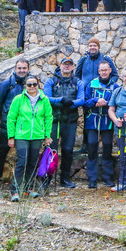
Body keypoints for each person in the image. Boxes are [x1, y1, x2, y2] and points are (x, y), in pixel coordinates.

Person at [6, 75, 52, 202]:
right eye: (29, 85)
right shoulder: (18, 99)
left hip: (37, 135)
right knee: (22, 161)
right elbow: (11, 118)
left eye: (34, 84)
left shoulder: (44, 100)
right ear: (25, 86)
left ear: (38, 85)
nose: (32, 87)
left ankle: (28, 189)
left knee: (32, 162)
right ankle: (15, 190)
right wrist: (11, 136)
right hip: (21, 135)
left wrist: (47, 135)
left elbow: (48, 118)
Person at [43, 57, 84, 188]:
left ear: (73, 67)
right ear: (60, 66)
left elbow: (82, 99)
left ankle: (65, 179)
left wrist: (71, 103)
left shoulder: (78, 82)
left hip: (70, 120)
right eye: (64, 64)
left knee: (68, 149)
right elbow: (46, 98)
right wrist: (61, 100)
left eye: (69, 65)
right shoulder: (52, 81)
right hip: (54, 120)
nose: (67, 66)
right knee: (51, 149)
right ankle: (46, 178)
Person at [75, 37, 118, 153]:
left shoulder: (105, 59)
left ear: (98, 47)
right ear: (88, 47)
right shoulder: (83, 60)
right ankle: (86, 145)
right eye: (90, 46)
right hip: (88, 93)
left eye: (95, 45)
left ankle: (107, 147)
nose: (92, 47)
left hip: (104, 92)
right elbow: (77, 76)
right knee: (87, 118)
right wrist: (82, 87)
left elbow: (115, 75)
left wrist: (107, 85)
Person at [0, 59, 30, 188]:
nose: (22, 70)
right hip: (7, 126)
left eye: (24, 68)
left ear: (28, 69)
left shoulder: (31, 84)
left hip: (25, 127)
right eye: (19, 68)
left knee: (25, 156)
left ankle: (24, 184)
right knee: (1, 154)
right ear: (15, 69)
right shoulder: (6, 84)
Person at [83, 61, 119, 188]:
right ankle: (92, 178)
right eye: (101, 70)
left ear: (110, 70)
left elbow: (117, 103)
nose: (104, 72)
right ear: (98, 71)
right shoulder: (91, 85)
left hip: (107, 121)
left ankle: (107, 177)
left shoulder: (115, 86)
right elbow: (85, 102)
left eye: (106, 70)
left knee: (107, 149)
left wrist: (106, 102)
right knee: (92, 149)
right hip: (92, 121)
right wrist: (95, 100)